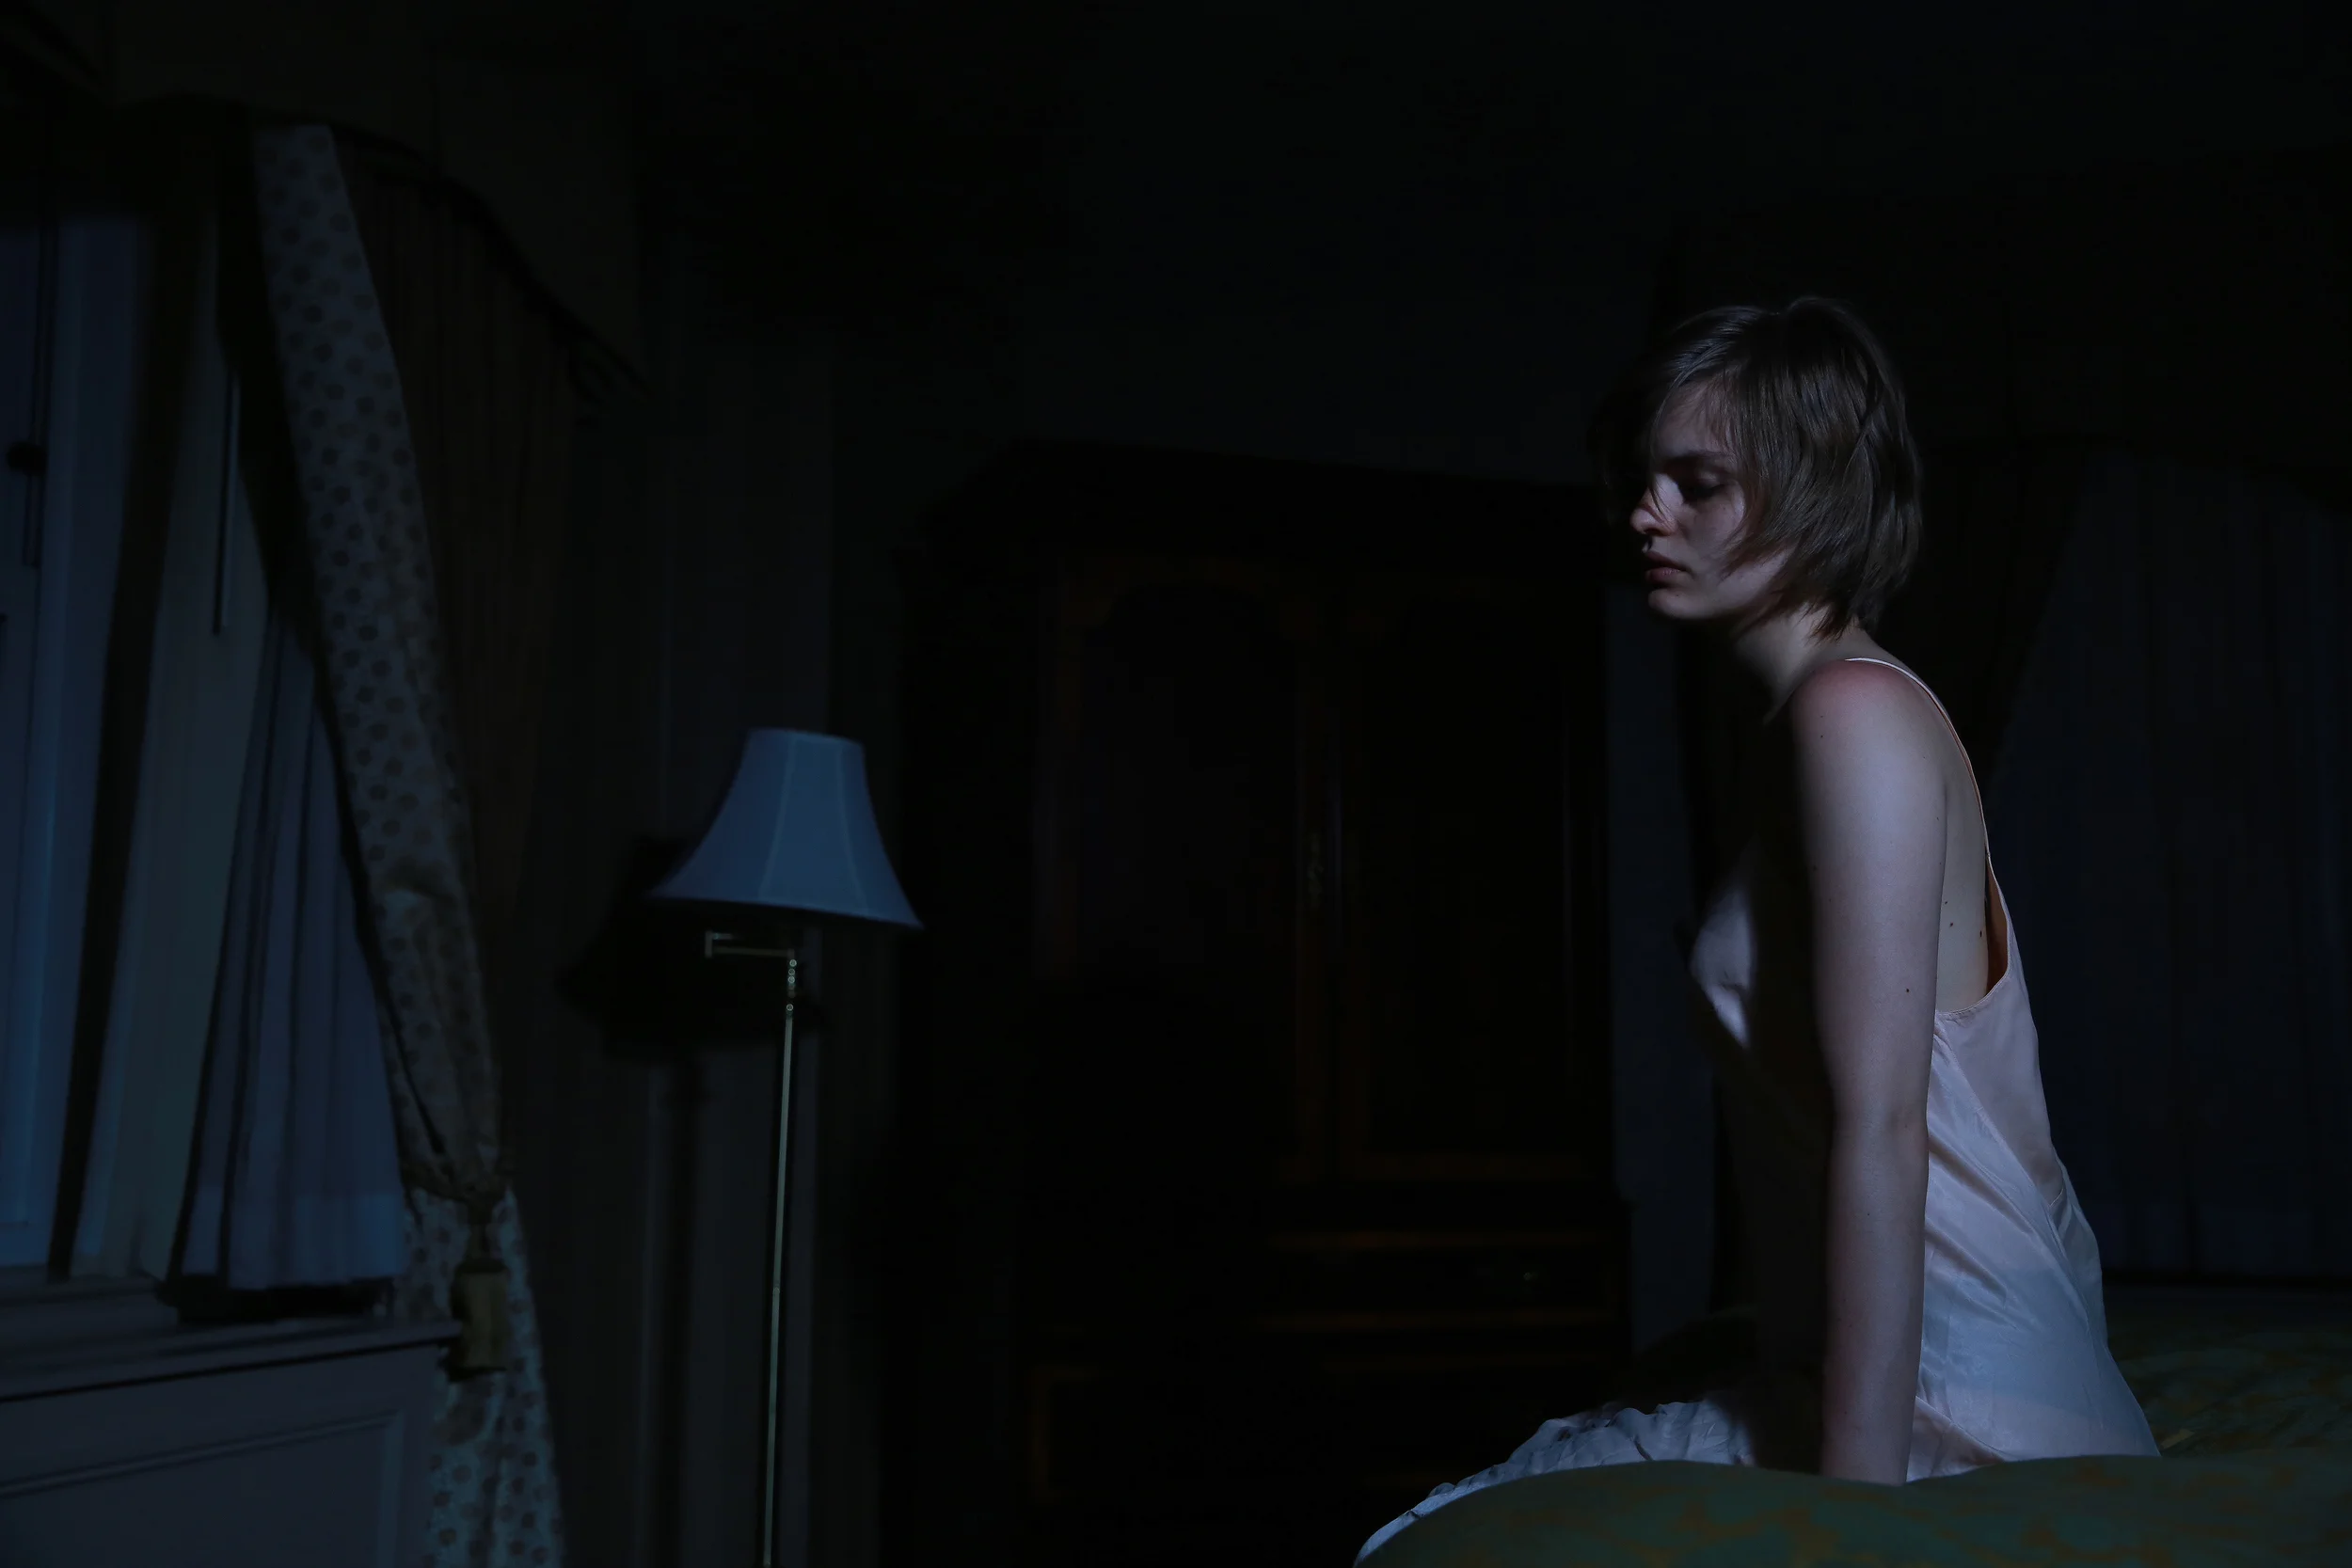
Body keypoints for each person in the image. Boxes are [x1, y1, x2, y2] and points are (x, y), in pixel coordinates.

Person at [1357, 298, 2156, 1561]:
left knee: (1452, 1536)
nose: (1645, 515)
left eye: (1698, 484)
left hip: (1953, 1399)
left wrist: (1849, 1519)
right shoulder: (1817, 719)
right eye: (1646, 481)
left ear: (1812, 489)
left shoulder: (1853, 715)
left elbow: (1886, 1126)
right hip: (1923, 1368)